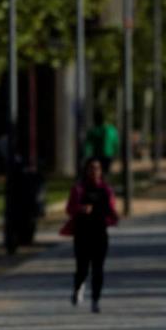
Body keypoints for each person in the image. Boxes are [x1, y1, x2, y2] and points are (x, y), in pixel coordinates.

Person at [60, 158, 119, 313]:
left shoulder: (106, 190)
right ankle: (78, 287)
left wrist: (107, 217)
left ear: (101, 171)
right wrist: (81, 209)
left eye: (97, 168)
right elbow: (69, 209)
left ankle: (95, 299)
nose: (94, 171)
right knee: (82, 268)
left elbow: (112, 211)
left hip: (99, 233)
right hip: (82, 233)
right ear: (86, 170)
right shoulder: (79, 189)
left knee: (98, 269)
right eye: (91, 168)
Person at [82, 111, 119, 176]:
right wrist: (116, 152)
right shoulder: (111, 129)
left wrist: (86, 154)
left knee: (99, 172)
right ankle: (104, 182)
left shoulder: (94, 130)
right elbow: (116, 142)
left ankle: (101, 183)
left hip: (98, 155)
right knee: (105, 171)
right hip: (109, 154)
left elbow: (88, 144)